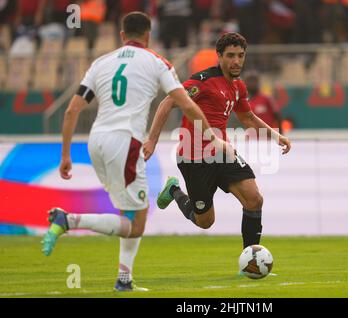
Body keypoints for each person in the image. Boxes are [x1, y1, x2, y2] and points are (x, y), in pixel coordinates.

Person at [41, 11, 231, 291]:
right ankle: (68, 219)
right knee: (136, 223)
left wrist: (66, 155)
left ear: (121, 36)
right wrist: (213, 138)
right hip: (126, 143)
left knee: (127, 215)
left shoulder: (100, 63)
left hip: (96, 142)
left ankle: (124, 279)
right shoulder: (157, 62)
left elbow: (71, 111)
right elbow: (187, 105)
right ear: (148, 35)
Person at [145, 32, 291, 255]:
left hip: (222, 153)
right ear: (219, 56)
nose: (236, 61)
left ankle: (251, 259)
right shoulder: (202, 82)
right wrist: (152, 141)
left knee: (254, 199)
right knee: (205, 222)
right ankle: (174, 190)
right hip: (193, 157)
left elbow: (247, 118)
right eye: (231, 55)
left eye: (240, 56)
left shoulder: (238, 86)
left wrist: (275, 135)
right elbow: (167, 103)